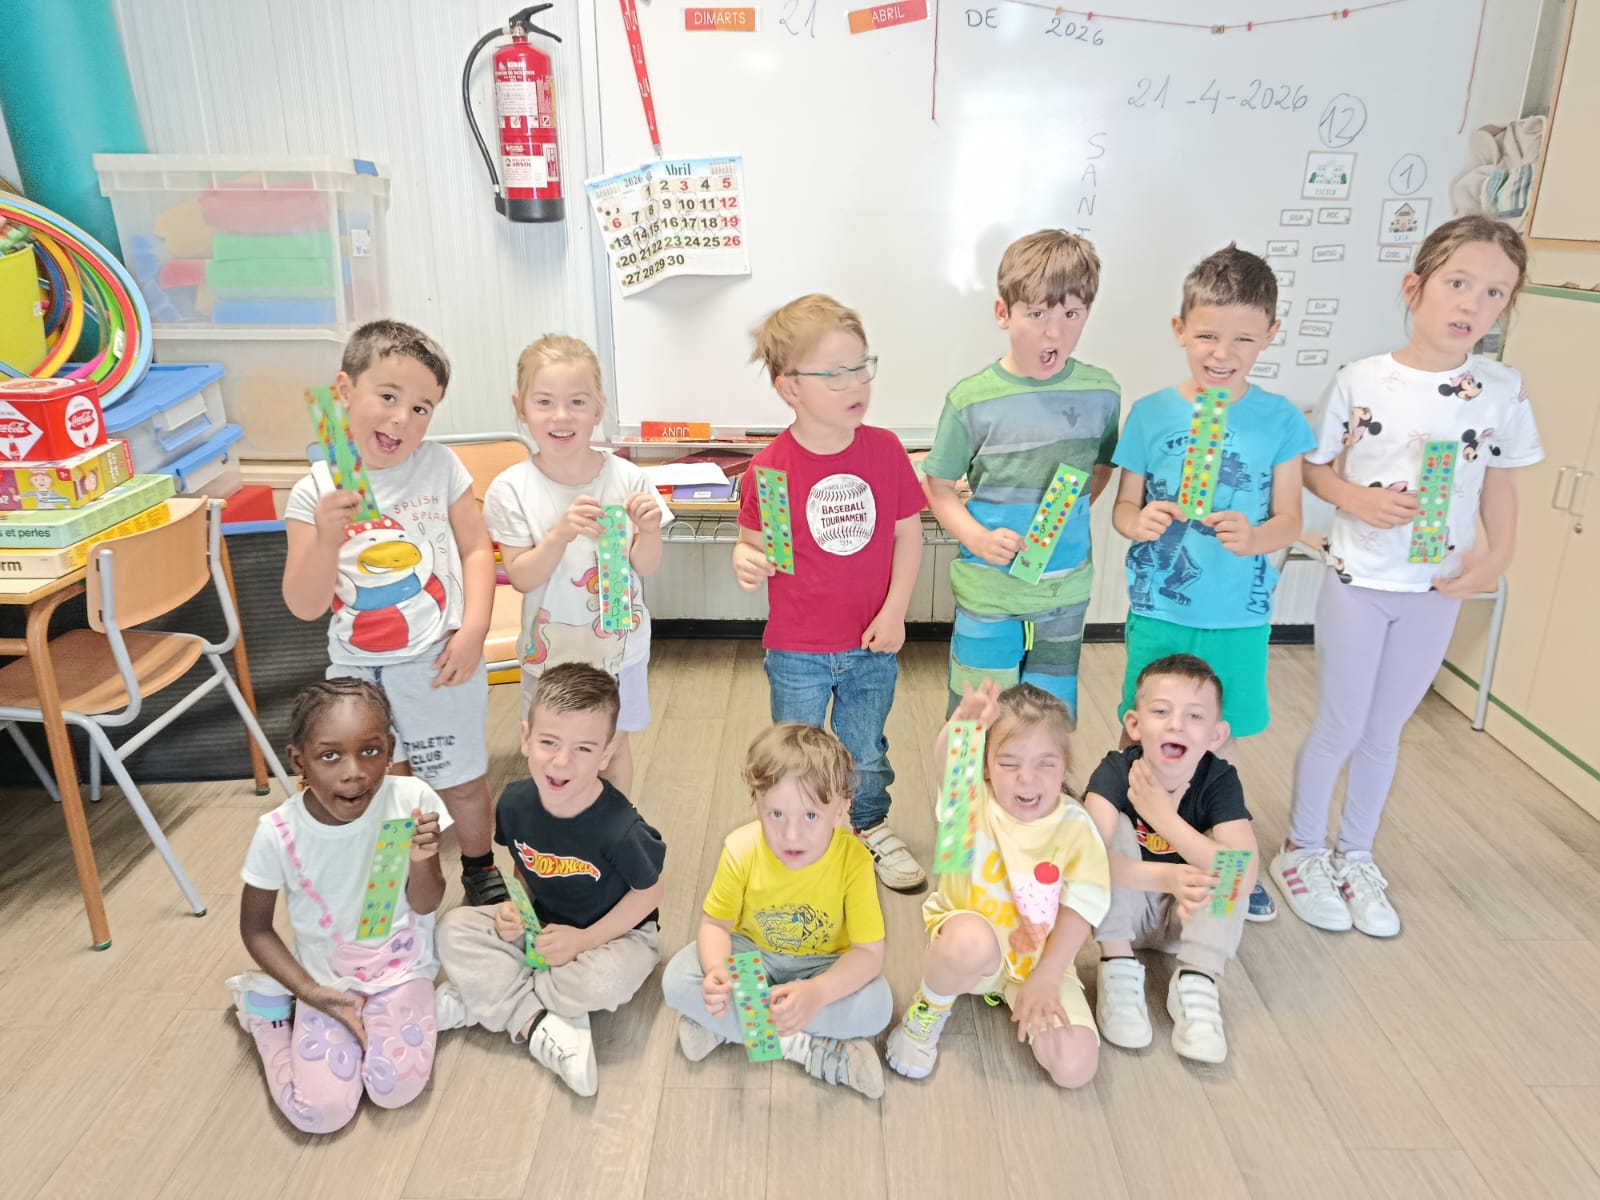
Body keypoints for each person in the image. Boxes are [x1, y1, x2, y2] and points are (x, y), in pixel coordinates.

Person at [1273, 215, 1542, 938]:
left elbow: (1501, 482)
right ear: (1415, 287)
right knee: (1342, 720)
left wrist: (1497, 555)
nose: (1473, 304)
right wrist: (1356, 499)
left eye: (1495, 293)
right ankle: (1302, 849)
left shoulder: (1501, 389)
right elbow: (1314, 469)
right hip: (1360, 580)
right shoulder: (1362, 380)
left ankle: (1356, 854)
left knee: (1386, 729)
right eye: (1459, 283)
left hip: (1437, 588)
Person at [1110, 244, 1314, 921]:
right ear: (1179, 329)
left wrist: (1255, 537)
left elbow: (1291, 520)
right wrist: (1140, 521)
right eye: (1206, 336)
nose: (1222, 354)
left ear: (1270, 336)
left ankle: (1229, 859)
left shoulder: (1280, 419)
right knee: (1141, 730)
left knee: (1217, 743)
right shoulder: (1150, 414)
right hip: (1160, 610)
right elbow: (1123, 508)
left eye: (1243, 339)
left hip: (1238, 617)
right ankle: (1130, 849)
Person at [282, 320, 505, 906]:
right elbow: (304, 604)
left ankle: (480, 869)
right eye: (388, 396)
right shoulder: (314, 492)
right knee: (388, 789)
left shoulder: (440, 467)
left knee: (460, 780)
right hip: (357, 674)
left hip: (439, 660)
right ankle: (402, 887)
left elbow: (476, 549)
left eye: (422, 407)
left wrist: (474, 629)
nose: (403, 418)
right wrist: (326, 537)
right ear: (343, 391)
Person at [732, 294, 928, 891]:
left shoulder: (884, 450)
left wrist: (896, 613)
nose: (856, 383)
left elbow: (908, 535)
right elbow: (753, 544)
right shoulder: (770, 470)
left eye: (861, 366)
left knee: (865, 751)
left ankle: (867, 826)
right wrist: (746, 559)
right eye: (835, 373)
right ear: (789, 387)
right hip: (797, 649)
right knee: (796, 751)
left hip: (872, 643)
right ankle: (798, 834)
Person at [228, 679, 448, 1134]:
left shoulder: (410, 800)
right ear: (299, 761)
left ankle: (411, 1011)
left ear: (389, 750)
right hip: (324, 983)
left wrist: (422, 860)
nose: (355, 773)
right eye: (330, 756)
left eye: (370, 751)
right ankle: (265, 1017)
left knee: (394, 1089)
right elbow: (256, 929)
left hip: (402, 972)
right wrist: (309, 992)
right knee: (320, 1113)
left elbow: (426, 902)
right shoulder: (278, 832)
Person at [434, 664, 665, 1097]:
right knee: (453, 929)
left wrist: (584, 940)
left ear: (607, 753)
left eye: (583, 748)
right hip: (541, 928)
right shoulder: (514, 803)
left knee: (602, 981)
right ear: (526, 738)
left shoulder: (621, 827)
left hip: (616, 936)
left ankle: (484, 999)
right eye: (548, 742)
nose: (561, 761)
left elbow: (650, 892)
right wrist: (515, 907)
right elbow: (523, 864)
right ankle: (539, 1020)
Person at [922, 230, 1122, 722]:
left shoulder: (1103, 393)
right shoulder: (970, 400)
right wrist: (977, 537)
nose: (1054, 333)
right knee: (975, 720)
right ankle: (972, 779)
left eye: (1071, 314)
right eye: (1036, 314)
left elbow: (1099, 469)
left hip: (1065, 592)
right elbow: (939, 488)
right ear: (1003, 312)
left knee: (1051, 718)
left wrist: (1065, 524)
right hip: (989, 590)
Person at [885, 681, 1109, 1088]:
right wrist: (963, 723)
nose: (1027, 778)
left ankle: (1019, 994)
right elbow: (946, 763)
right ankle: (926, 1014)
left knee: (1075, 1068)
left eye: (1045, 763)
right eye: (1009, 763)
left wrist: (1046, 977)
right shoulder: (970, 803)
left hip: (1039, 963)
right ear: (986, 767)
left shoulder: (1076, 826)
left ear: (1066, 765)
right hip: (974, 952)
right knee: (969, 940)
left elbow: (1082, 907)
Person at [661, 723, 893, 1097]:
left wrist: (817, 993)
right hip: (752, 956)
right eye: (776, 815)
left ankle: (732, 1029)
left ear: (841, 810)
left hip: (822, 964)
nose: (791, 835)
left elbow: (868, 954)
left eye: (811, 816)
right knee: (676, 979)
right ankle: (807, 1049)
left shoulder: (854, 862)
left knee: (878, 1006)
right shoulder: (741, 849)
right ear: (757, 802)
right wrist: (719, 973)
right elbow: (716, 925)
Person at [482, 333, 669, 798]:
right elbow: (521, 576)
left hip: (619, 652)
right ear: (520, 407)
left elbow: (645, 566)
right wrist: (560, 533)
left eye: (577, 402)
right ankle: (559, 830)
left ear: (599, 408)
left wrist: (648, 530)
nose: (561, 416)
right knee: (552, 754)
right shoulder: (512, 488)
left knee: (613, 748)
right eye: (544, 402)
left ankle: (616, 829)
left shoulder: (628, 477)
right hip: (550, 657)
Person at [1084, 654, 1260, 1064]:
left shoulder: (1219, 779)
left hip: (1185, 919)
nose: (1177, 724)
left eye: (1194, 716)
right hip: (1124, 917)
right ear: (1134, 724)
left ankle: (1197, 979)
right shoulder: (1115, 771)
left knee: (1230, 861)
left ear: (1216, 734)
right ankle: (1117, 964)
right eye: (1161, 711)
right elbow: (1083, 861)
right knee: (1111, 833)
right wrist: (1168, 877)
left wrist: (1163, 817)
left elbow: (1245, 875)